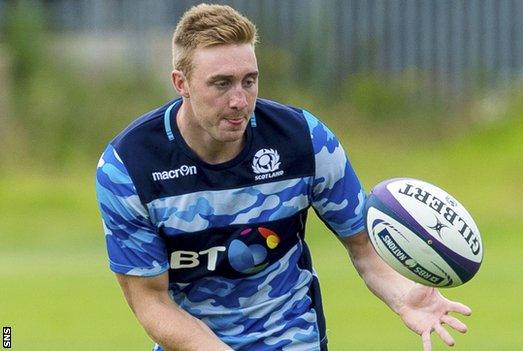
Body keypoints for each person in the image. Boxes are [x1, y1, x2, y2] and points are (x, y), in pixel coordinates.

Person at [95, 4, 471, 351]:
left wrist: (404, 294)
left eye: (249, 80)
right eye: (221, 83)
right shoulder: (129, 166)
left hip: (292, 338)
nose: (240, 100)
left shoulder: (302, 140)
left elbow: (363, 246)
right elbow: (150, 300)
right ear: (182, 83)